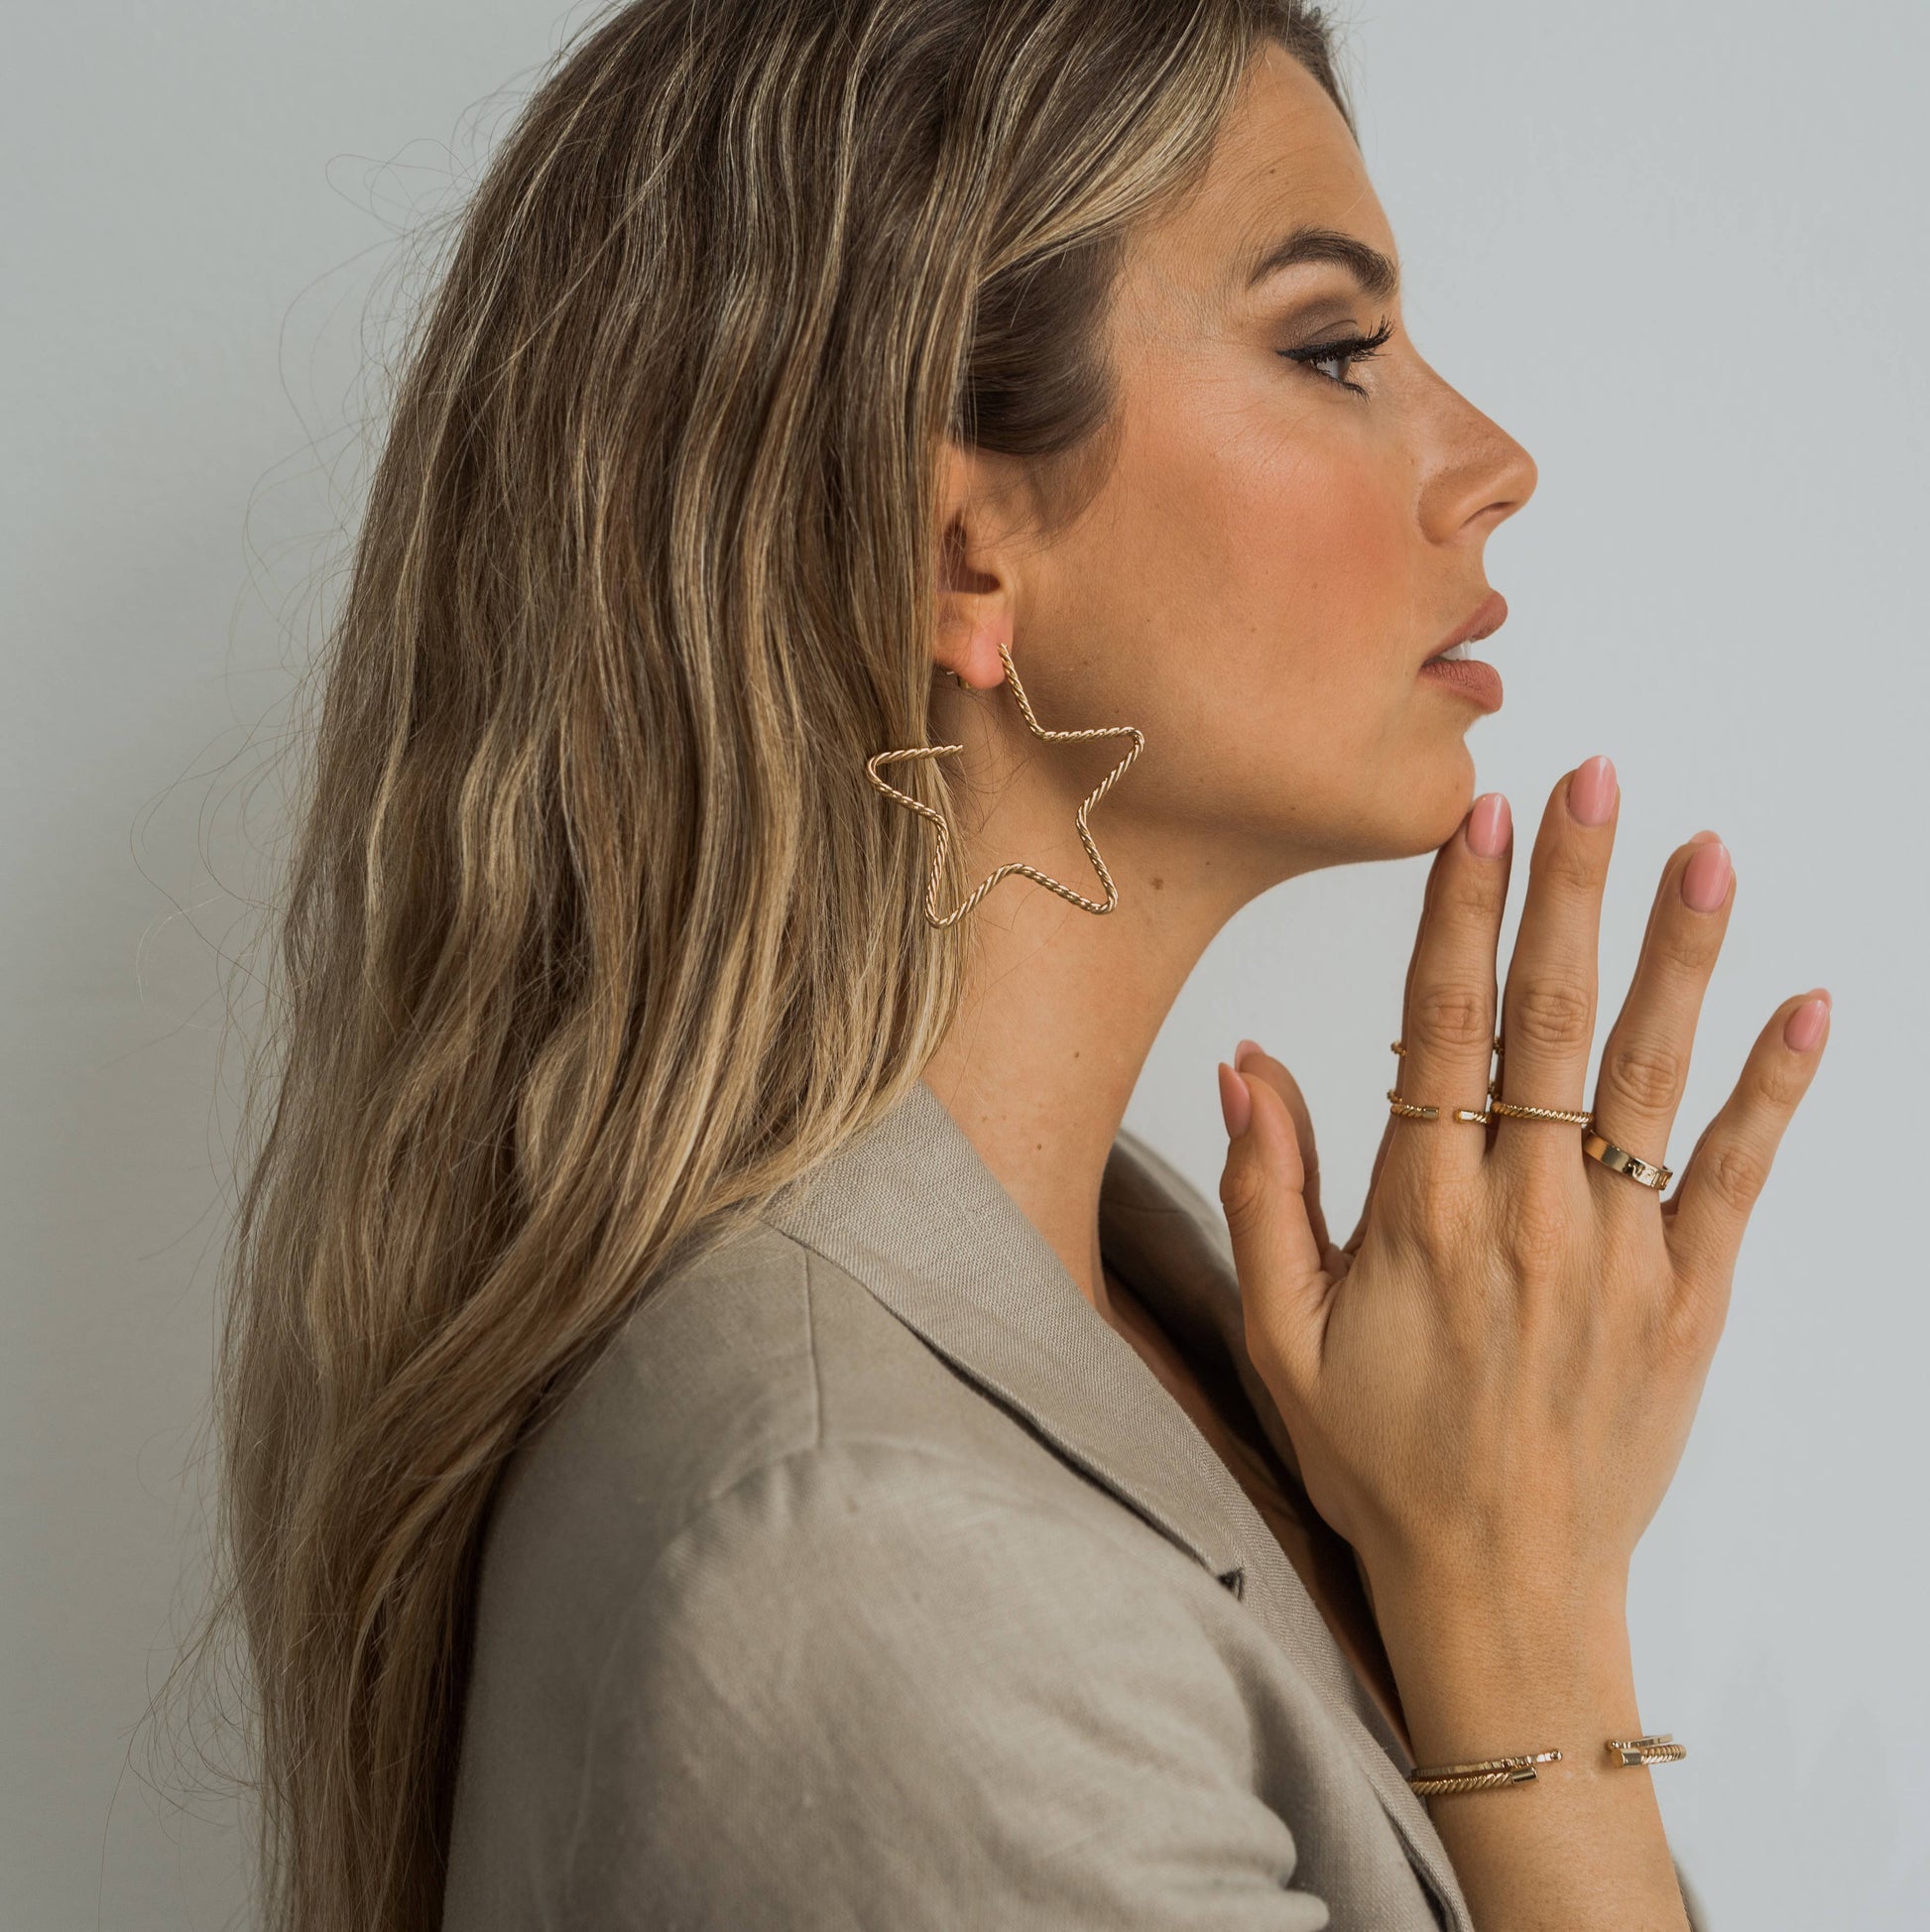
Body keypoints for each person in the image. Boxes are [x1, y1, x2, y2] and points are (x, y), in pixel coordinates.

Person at [187, 3, 1830, 1927]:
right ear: (960, 550)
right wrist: (1526, 1628)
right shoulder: (875, 1567)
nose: (1493, 461)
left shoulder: (1104, 1295)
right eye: (1331, 348)